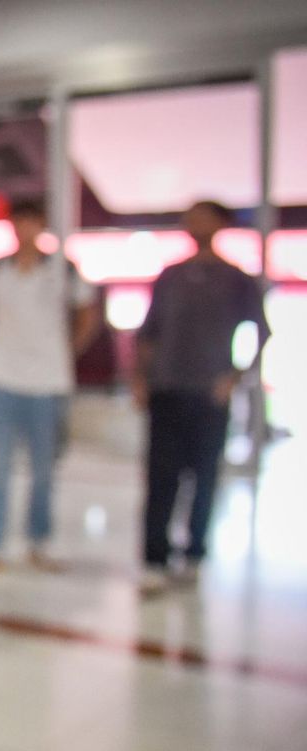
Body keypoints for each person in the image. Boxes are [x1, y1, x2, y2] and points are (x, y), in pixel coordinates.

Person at [134, 200, 271, 594]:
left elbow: (259, 334)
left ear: (220, 224)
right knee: (161, 479)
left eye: (204, 218)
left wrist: (235, 377)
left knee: (204, 477)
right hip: (167, 389)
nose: (196, 225)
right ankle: (154, 558)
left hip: (209, 395)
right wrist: (141, 380)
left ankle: (194, 553)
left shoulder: (236, 280)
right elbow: (148, 334)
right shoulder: (170, 277)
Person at [0, 199, 98, 575]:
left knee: (44, 469)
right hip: (1, 378)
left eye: (32, 222)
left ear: (41, 226)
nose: (25, 230)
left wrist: (67, 349)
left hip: (49, 381)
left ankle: (40, 540)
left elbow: (86, 312)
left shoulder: (63, 270)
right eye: (19, 223)